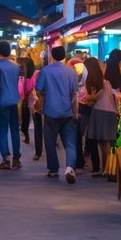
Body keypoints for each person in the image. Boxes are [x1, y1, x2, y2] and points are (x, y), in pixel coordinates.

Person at [35, 45, 80, 183]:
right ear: (64, 56)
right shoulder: (71, 72)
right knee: (70, 142)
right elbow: (74, 95)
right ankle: (70, 167)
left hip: (50, 111)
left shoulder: (46, 71)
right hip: (67, 112)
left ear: (52, 56)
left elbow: (38, 89)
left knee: (50, 141)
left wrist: (42, 100)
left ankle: (53, 169)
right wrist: (75, 112)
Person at [85, 55, 121, 176]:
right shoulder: (106, 82)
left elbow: (92, 98)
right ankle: (106, 169)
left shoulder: (95, 83)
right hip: (111, 112)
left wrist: (89, 98)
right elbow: (112, 98)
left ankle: (106, 170)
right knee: (107, 143)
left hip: (100, 112)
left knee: (103, 143)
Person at [0, 42, 23, 170]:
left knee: (3, 130)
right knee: (15, 130)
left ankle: (5, 158)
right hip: (14, 100)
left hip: (1, 101)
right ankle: (16, 159)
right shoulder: (15, 67)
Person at [18, 56, 35, 145]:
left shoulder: (27, 80)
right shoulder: (31, 78)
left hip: (27, 103)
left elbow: (27, 91)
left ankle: (26, 134)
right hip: (28, 103)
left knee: (25, 118)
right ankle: (26, 134)